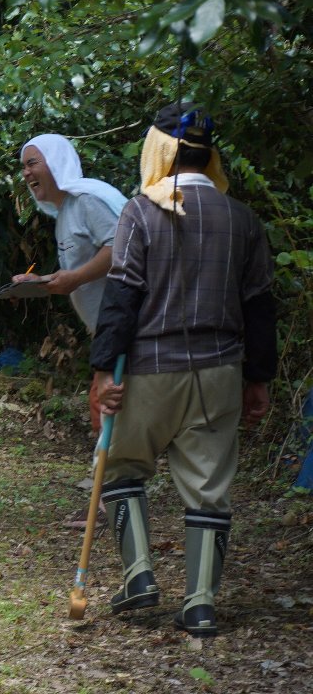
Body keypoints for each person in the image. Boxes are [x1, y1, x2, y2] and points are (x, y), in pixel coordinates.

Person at [90, 102, 276, 636]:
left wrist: (105, 370)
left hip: (150, 369)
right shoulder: (243, 218)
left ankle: (140, 576)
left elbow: (122, 295)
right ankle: (200, 604)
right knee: (209, 487)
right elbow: (261, 306)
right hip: (220, 372)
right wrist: (258, 378)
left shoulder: (141, 212)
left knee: (122, 470)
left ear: (161, 150)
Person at [12, 134, 127, 526]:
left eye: (33, 162)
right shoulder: (65, 212)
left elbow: (120, 248)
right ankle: (110, 499)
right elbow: (77, 272)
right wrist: (39, 283)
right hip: (107, 328)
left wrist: (74, 278)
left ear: (57, 162)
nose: (26, 172)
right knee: (106, 408)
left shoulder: (88, 200)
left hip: (126, 325)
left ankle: (111, 502)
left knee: (105, 407)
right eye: (24, 165)